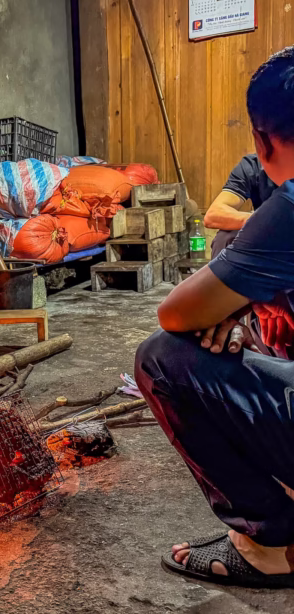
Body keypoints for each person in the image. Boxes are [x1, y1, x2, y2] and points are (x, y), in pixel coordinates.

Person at [135, 47, 294, 589]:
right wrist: (246, 299)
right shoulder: (254, 181)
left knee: (162, 358)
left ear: (262, 137)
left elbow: (174, 312)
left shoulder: (291, 206)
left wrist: (228, 305)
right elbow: (217, 217)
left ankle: (268, 544)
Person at [204, 153, 277, 257]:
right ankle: (219, 273)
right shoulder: (254, 165)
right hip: (264, 232)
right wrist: (263, 220)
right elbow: (213, 216)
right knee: (226, 237)